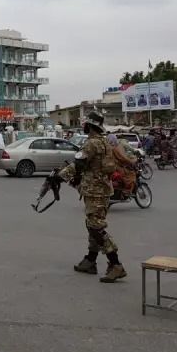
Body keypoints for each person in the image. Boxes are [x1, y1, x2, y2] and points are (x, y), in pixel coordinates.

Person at [57, 111, 126, 283]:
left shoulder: (92, 144)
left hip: (95, 191)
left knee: (96, 228)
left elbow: (77, 164)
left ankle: (116, 264)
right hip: (100, 190)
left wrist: (59, 176)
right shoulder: (104, 142)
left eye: (85, 124)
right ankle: (91, 260)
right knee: (92, 225)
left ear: (89, 126)